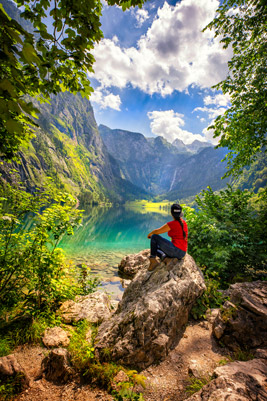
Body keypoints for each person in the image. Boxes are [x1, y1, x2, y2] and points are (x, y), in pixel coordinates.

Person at [147, 204, 188, 271]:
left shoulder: (172, 224)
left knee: (154, 237)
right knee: (155, 248)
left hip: (176, 251)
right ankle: (164, 257)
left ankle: (153, 261)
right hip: (182, 253)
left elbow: (157, 231)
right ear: (180, 213)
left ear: (171, 213)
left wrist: (150, 234)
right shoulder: (184, 222)